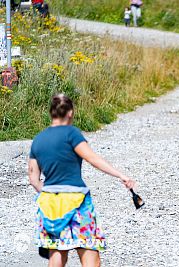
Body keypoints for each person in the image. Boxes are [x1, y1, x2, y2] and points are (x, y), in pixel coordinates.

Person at [28, 94, 137, 267]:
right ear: (70, 113)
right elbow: (92, 159)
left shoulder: (38, 140)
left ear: (51, 112)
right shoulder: (71, 133)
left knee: (57, 252)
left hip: (49, 203)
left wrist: (51, 192)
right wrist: (120, 175)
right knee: (88, 250)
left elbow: (33, 179)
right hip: (77, 202)